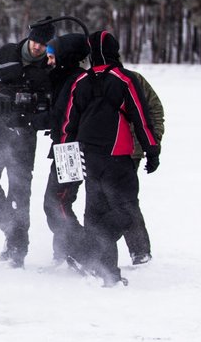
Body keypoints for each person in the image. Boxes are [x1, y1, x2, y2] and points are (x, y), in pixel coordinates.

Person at [59, 31, 160, 286]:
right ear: (115, 52)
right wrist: (152, 150)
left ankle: (108, 273)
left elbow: (69, 123)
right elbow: (141, 115)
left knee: (95, 213)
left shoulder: (81, 80)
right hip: (118, 156)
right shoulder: (124, 79)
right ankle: (94, 249)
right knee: (125, 211)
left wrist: (66, 154)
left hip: (89, 157)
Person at [0, 17, 55, 268]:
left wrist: (32, 100)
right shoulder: (8, 51)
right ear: (29, 38)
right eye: (35, 42)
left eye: (43, 44)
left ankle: (18, 246)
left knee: (20, 192)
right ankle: (12, 231)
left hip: (23, 134)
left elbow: (49, 100)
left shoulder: (49, 67)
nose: (38, 47)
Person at [36, 33, 90, 267]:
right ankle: (63, 253)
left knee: (56, 203)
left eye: (51, 57)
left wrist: (29, 120)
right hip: (65, 149)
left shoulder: (76, 81)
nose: (48, 62)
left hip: (71, 151)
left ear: (65, 57)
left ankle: (87, 254)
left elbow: (62, 117)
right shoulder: (64, 78)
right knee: (57, 202)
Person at [123, 70, 164, 265]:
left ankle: (140, 252)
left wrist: (152, 144)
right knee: (103, 200)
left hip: (131, 150)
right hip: (101, 151)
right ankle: (95, 250)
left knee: (125, 200)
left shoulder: (133, 78)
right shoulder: (89, 78)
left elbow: (155, 109)